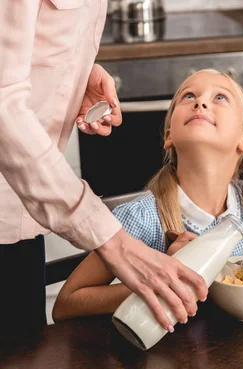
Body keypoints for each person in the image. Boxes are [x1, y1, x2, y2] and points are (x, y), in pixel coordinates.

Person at [52, 69, 243, 325]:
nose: (201, 102)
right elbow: (66, 304)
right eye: (188, 96)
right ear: (169, 136)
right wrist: (158, 283)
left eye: (220, 98)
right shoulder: (141, 219)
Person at [0, 1, 206, 331]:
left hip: (19, 214)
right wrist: (112, 241)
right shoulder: (138, 217)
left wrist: (74, 74)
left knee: (22, 365)